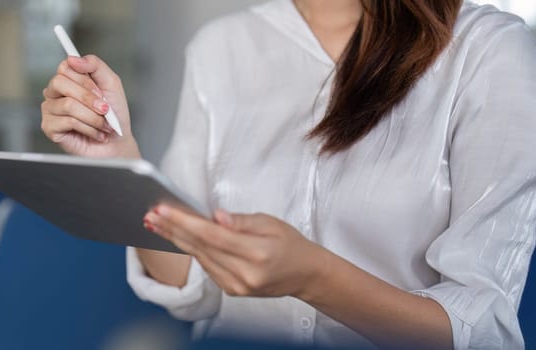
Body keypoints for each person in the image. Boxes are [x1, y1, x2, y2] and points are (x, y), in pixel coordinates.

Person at [40, 0, 536, 348]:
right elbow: (193, 283)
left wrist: (313, 276)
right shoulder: (221, 48)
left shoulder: (489, 52)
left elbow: (479, 333)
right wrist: (119, 154)